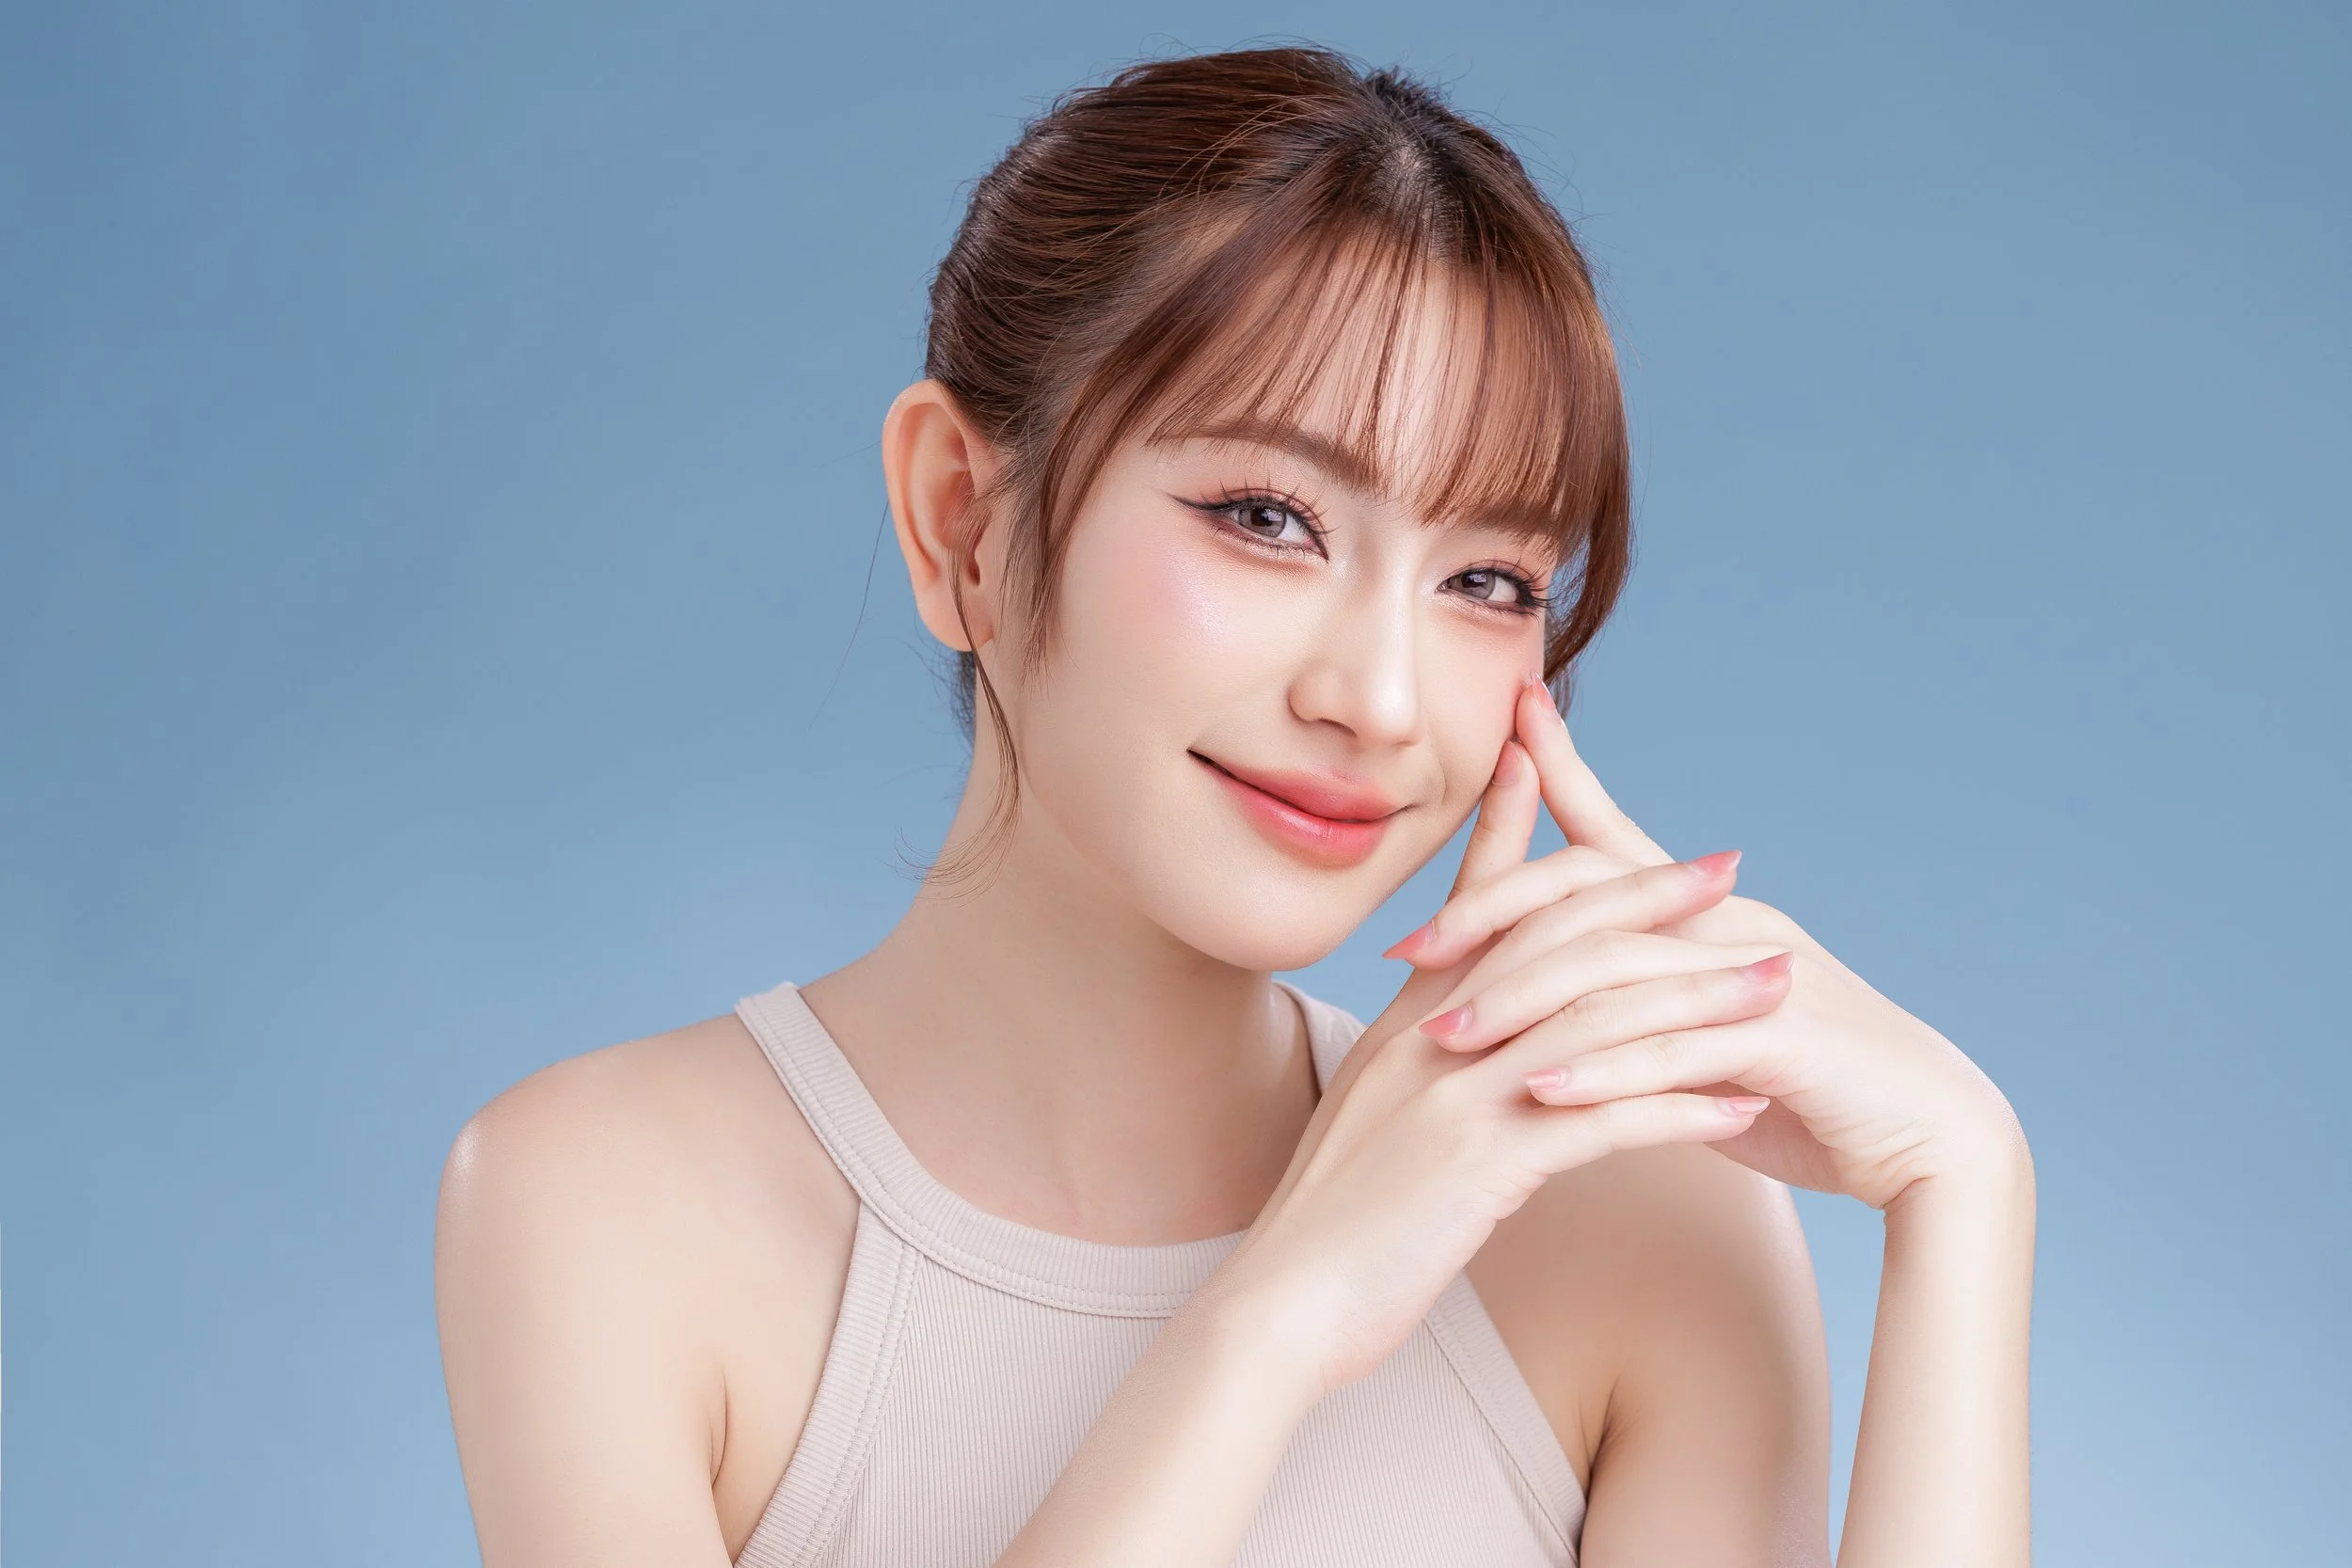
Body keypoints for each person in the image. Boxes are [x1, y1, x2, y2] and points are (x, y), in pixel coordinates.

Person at [434, 44, 2034, 1568]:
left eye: (1487, 579)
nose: (1382, 697)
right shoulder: (606, 1204)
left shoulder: (1640, 1234)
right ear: (960, 523)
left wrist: (1969, 1185)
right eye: (1266, 517)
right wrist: (1274, 1321)